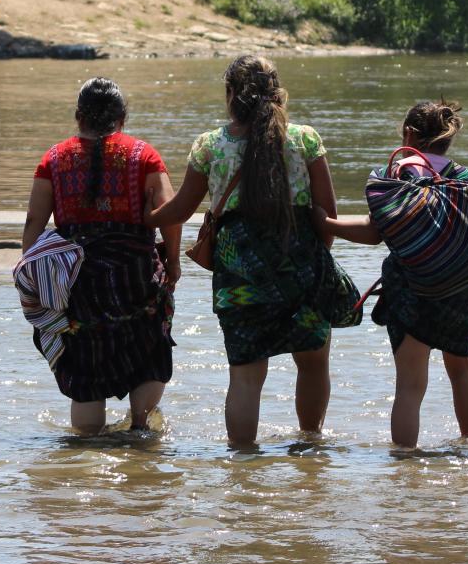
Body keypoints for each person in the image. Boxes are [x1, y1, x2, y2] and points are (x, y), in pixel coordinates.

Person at [146, 54, 358, 447]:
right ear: (277, 92)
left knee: (245, 375)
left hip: (238, 272)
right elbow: (327, 214)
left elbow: (181, 210)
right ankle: (310, 451)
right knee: (312, 363)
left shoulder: (211, 145)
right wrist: (310, 264)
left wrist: (142, 218)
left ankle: (242, 465)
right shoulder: (305, 139)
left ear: (230, 95)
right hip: (302, 265)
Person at [314, 102, 468, 449]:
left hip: (413, 290)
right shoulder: (466, 180)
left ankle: (405, 467)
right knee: (463, 372)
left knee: (409, 385)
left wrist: (326, 224)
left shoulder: (399, 177)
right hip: (461, 289)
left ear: (408, 134)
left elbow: (374, 231)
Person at [21, 77, 182, 435]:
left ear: (79, 117)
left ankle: (86, 453)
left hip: (80, 283)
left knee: (85, 372)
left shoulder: (53, 160)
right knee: (150, 353)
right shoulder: (144, 156)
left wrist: (32, 276)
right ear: (122, 118)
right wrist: (173, 261)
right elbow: (168, 213)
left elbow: (35, 222)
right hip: (136, 278)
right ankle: (140, 430)